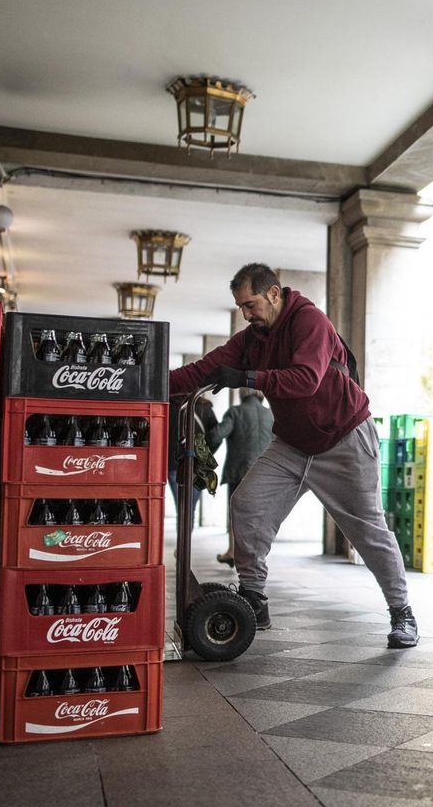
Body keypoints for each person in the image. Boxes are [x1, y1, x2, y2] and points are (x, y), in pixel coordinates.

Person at [169, 264, 418, 647]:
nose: (247, 314)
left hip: (344, 437)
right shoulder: (253, 338)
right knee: (248, 504)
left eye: (250, 304)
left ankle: (402, 613)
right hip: (292, 444)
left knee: (368, 531)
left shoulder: (309, 321)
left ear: (273, 293)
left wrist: (248, 378)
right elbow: (204, 370)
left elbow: (306, 379)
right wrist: (146, 380)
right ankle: (254, 599)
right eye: (240, 307)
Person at [215, 389, 274, 566]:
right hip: (264, 472)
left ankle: (233, 551)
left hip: (238, 471)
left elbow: (217, 434)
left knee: (235, 512)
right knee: (260, 514)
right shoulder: (270, 415)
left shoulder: (235, 412)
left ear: (242, 394)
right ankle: (257, 554)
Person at [167, 392, 222, 526]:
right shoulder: (205, 408)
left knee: (181, 506)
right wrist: (206, 455)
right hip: (198, 466)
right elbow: (216, 437)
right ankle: (186, 543)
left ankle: (182, 543)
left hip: (174, 464)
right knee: (189, 506)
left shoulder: (169, 407)